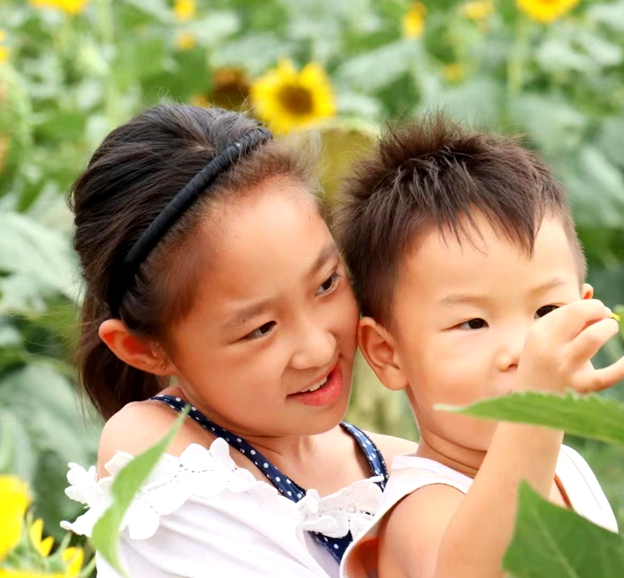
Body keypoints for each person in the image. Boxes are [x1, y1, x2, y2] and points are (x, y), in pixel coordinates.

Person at [60, 104, 415, 578]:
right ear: (143, 349)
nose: (318, 348)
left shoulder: (398, 470)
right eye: (260, 329)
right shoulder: (156, 455)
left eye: (327, 283)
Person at [334, 117, 624, 578]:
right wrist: (537, 408)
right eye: (473, 322)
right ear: (387, 354)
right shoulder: (423, 508)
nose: (524, 350)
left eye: (547, 312)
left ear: (585, 311)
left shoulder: (567, 469)